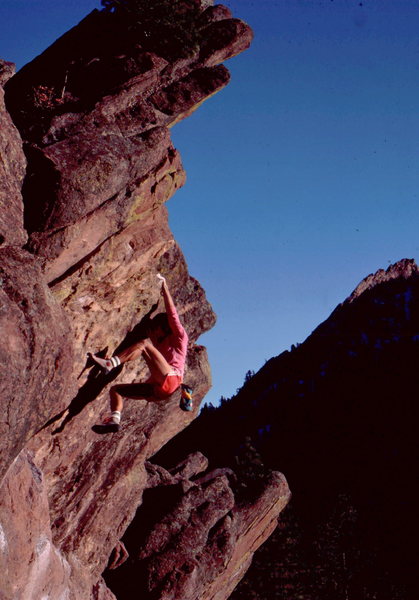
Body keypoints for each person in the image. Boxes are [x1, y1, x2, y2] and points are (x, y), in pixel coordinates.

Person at [89, 274, 189, 432]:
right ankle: (114, 420)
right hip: (158, 391)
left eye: (156, 329)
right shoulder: (159, 343)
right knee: (116, 390)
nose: (153, 332)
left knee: (143, 345)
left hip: (172, 380)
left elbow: (173, 315)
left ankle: (110, 364)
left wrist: (165, 287)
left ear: (164, 327)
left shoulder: (180, 337)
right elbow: (150, 361)